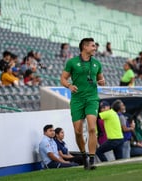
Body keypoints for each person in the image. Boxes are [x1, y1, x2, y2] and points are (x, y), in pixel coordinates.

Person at [60, 38, 105, 170]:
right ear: (84, 47)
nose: (95, 48)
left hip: (92, 99)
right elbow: (63, 78)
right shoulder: (72, 62)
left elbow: (100, 78)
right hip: (77, 100)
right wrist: (69, 85)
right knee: (78, 132)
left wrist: (102, 81)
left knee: (92, 128)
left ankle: (91, 159)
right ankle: (84, 156)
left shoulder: (97, 63)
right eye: (93, 46)